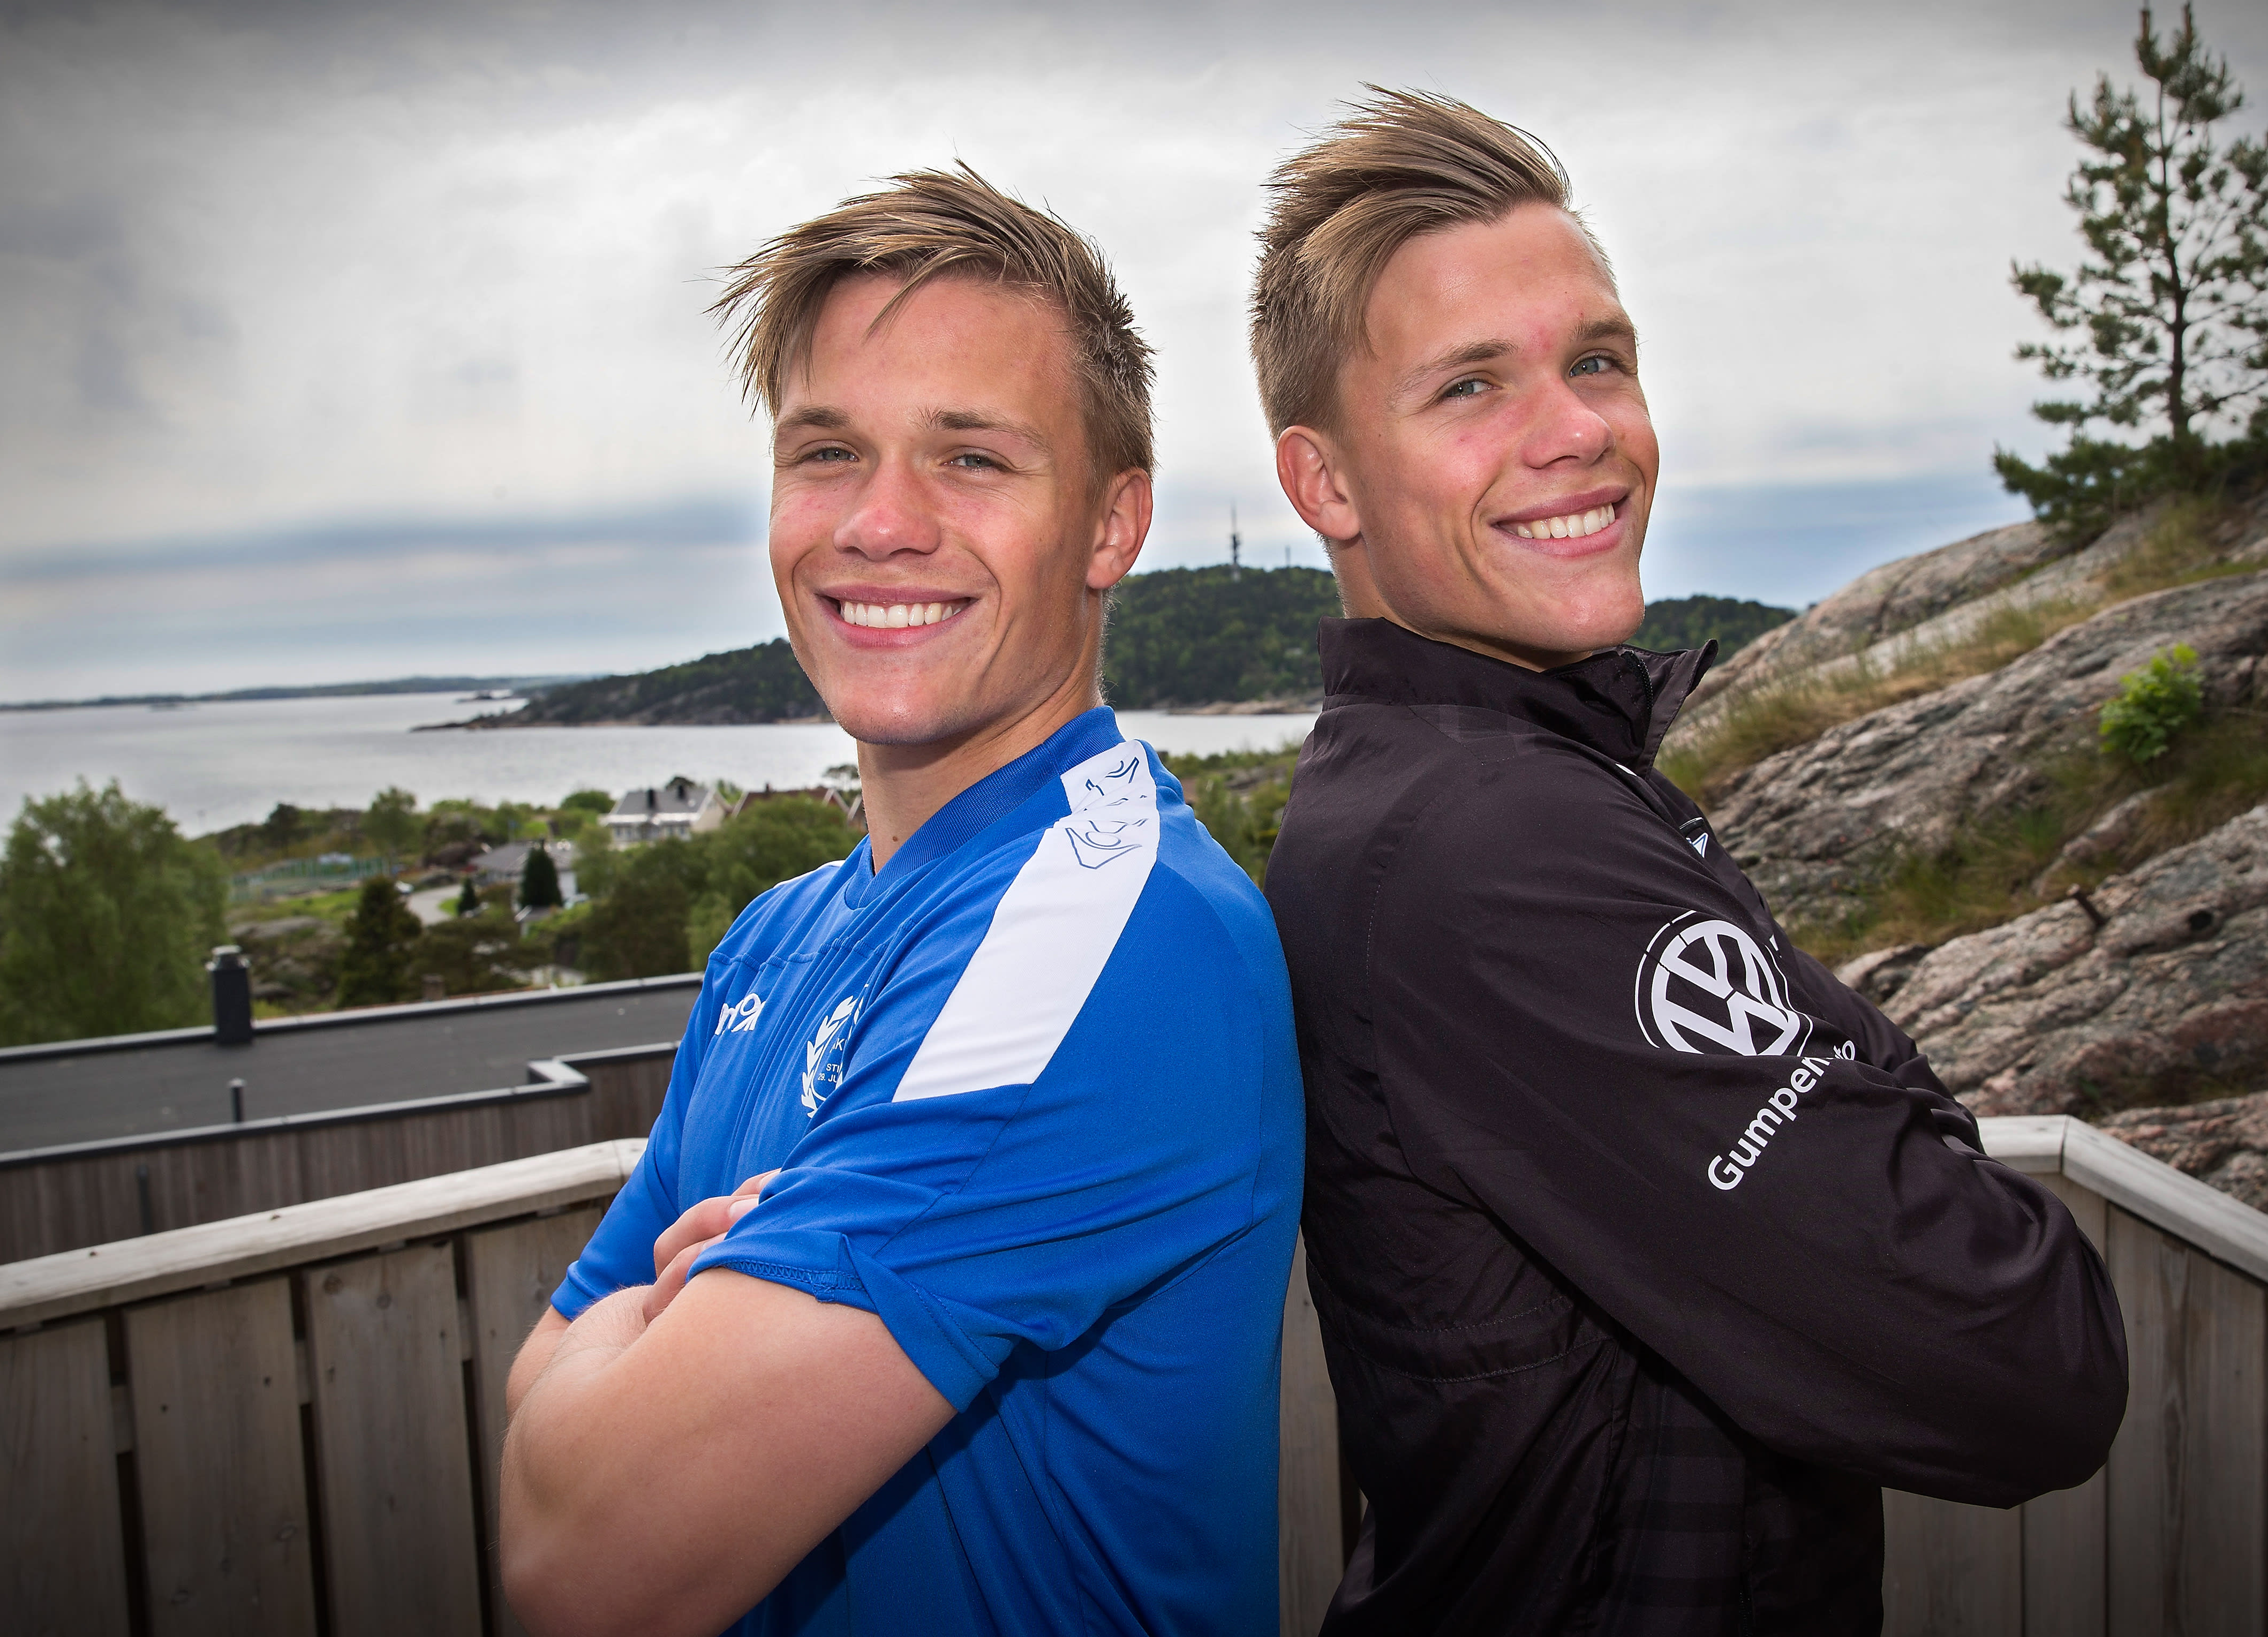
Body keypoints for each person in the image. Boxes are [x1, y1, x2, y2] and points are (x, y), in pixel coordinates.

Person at [1252, 90, 2128, 1634]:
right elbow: (2029, 1356)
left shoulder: (1447, 780)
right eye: (1470, 386)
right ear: (1326, 484)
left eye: (1597, 359)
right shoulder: (1499, 843)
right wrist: (1868, 1066)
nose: (1578, 430)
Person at [500, 166, 1303, 1637]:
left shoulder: (1117, 939)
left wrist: (664, 1337)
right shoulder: (774, 937)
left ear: (1111, 524)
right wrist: (654, 1343)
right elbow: (534, 1412)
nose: (878, 523)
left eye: (971, 458)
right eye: (827, 453)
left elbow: (582, 1553)